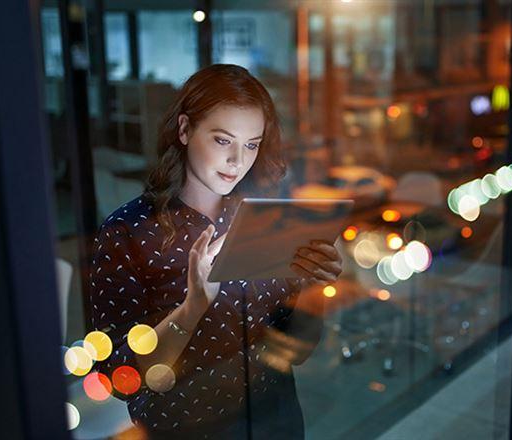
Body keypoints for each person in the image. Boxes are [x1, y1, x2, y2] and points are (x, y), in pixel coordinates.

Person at [88, 64, 341, 439]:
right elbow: (118, 376)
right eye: (223, 141)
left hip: (276, 421)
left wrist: (314, 284)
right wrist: (193, 308)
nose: (238, 161)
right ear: (185, 130)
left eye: (251, 144)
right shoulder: (128, 232)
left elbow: (296, 350)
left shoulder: (264, 219)